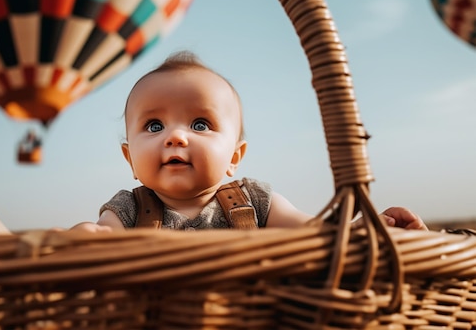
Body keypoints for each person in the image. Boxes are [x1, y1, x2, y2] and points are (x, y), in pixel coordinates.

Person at [71, 51, 428, 232]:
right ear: (129, 158)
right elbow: (100, 237)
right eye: (153, 126)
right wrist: (83, 237)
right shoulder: (127, 210)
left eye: (199, 123)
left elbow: (318, 232)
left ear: (234, 157)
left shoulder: (255, 201)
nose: (175, 136)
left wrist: (360, 230)